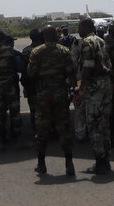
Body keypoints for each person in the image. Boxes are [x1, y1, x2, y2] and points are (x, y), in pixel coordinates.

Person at [27, 25, 76, 176]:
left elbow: (30, 73)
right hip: (60, 93)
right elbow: (71, 73)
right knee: (64, 128)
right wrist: (73, 90)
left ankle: (41, 163)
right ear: (56, 36)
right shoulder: (64, 51)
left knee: (42, 128)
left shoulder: (36, 52)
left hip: (43, 95)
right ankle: (69, 162)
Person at [75, 17, 113, 174]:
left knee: (94, 125)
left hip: (94, 86)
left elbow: (88, 67)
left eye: (79, 27)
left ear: (85, 26)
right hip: (106, 83)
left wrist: (81, 88)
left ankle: (100, 162)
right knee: (104, 123)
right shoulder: (101, 40)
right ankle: (106, 160)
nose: (78, 30)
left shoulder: (87, 42)